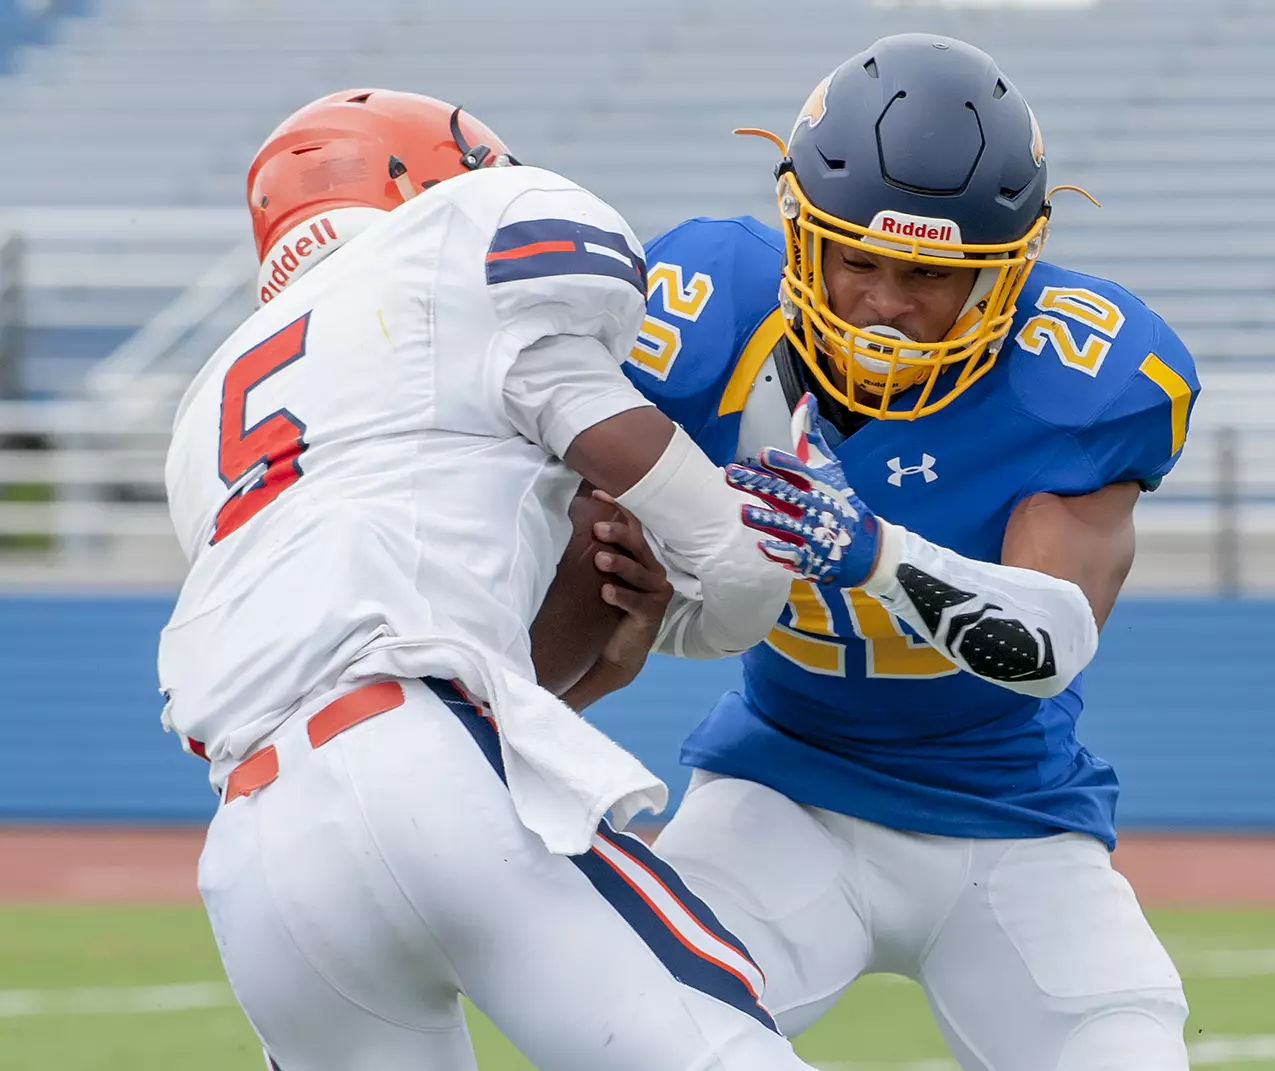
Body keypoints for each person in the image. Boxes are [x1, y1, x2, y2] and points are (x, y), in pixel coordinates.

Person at [157, 88, 810, 1071]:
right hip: (423, 770)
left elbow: (362, 634)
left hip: (256, 856)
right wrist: (718, 590)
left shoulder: (207, 411)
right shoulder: (459, 243)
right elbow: (729, 563)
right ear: (431, 178)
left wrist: (593, 677)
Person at [627, 35, 1200, 1071]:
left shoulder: (1074, 376)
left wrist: (873, 555)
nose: (886, 303)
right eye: (859, 261)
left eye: (931, 274)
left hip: (1009, 815)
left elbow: (1052, 639)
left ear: (1007, 270)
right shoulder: (709, 316)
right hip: (780, 789)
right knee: (633, 1024)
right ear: (804, 236)